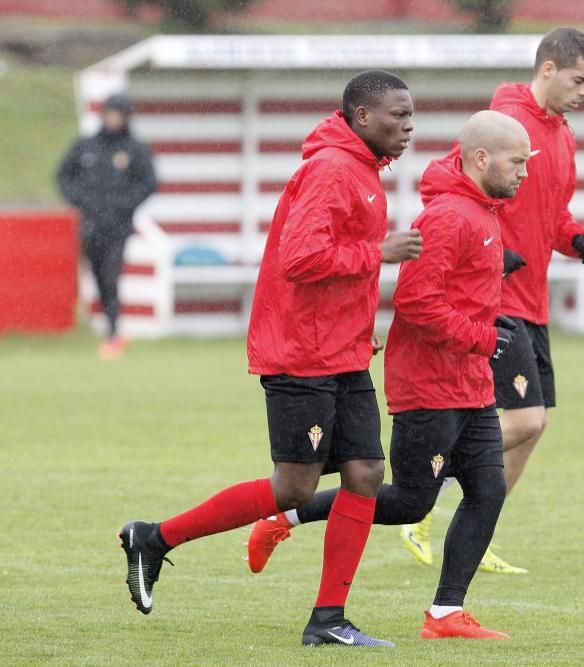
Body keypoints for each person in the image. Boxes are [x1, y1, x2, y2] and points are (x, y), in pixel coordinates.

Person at [117, 70, 422, 648]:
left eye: (411, 116)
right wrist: (378, 253)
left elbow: (328, 270)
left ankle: (328, 620)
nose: (408, 126)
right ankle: (153, 537)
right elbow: (301, 259)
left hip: (342, 352)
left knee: (365, 473)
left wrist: (360, 328)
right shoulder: (332, 170)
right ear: (361, 117)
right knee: (294, 490)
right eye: (398, 115)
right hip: (302, 353)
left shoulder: (359, 170)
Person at [246, 110, 532, 640]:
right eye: (518, 162)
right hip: (429, 385)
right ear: (482, 158)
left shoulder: (485, 210)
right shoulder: (449, 216)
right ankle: (285, 517)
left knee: (488, 489)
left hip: (469, 383)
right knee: (409, 501)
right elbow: (417, 301)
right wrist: (483, 336)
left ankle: (445, 614)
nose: (524, 173)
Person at [398, 27, 584, 574]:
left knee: (534, 427)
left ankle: (476, 530)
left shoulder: (564, 136)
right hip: (494, 299)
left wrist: (576, 237)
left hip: (532, 301)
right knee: (524, 419)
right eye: (579, 80)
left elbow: (554, 213)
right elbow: (441, 179)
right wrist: (494, 250)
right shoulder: (505, 120)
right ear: (548, 70)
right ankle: (420, 511)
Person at [56, 93, 157, 360]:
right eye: (109, 113)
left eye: (117, 114)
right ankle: (112, 330)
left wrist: (126, 204)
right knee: (100, 277)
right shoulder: (86, 145)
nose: (112, 119)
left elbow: (149, 182)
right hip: (91, 224)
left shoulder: (134, 148)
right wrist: (80, 201)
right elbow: (63, 175)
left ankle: (114, 333)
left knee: (111, 275)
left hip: (117, 226)